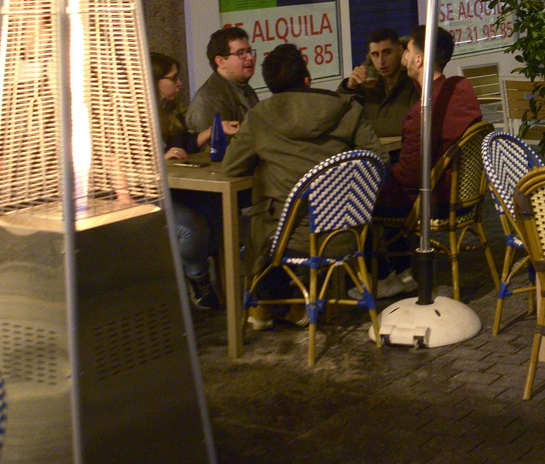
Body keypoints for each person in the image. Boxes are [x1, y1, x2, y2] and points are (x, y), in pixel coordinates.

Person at [222, 43, 383, 327]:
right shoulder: (348, 109)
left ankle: (268, 305)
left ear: (272, 89)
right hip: (349, 233)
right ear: (307, 80)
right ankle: (294, 303)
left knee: (256, 222)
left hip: (291, 238)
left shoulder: (261, 116)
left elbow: (232, 166)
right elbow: (377, 162)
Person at [373, 25, 486, 299]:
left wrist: (380, 177)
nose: (403, 58)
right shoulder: (461, 90)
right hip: (465, 198)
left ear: (419, 59)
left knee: (361, 194)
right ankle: (403, 270)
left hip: (434, 201)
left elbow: (410, 177)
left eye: (408, 50)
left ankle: (381, 277)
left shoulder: (424, 112)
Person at [152, 52, 219, 310]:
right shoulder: (133, 114)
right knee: (191, 227)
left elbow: (181, 145)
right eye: (174, 78)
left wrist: (209, 133)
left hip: (172, 188)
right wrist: (159, 157)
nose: (180, 84)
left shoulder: (169, 110)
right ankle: (199, 281)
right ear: (155, 81)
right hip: (144, 195)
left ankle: (214, 280)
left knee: (215, 210)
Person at [340, 26, 418, 146]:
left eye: (387, 52)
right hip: (370, 154)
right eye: (375, 55)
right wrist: (349, 88)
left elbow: (411, 124)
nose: (381, 61)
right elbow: (339, 116)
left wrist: (362, 125)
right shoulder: (368, 81)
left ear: (400, 51)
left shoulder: (414, 80)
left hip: (401, 153)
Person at [185, 27, 260, 136]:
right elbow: (212, 147)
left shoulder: (245, 88)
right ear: (221, 62)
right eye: (240, 53)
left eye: (249, 51)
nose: (249, 57)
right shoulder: (209, 99)